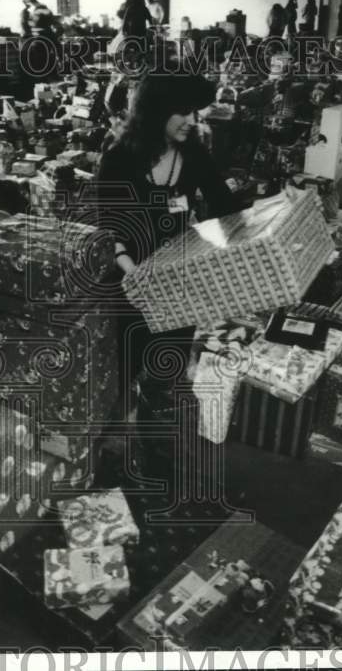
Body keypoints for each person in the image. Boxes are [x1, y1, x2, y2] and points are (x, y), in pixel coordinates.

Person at [95, 70, 243, 475]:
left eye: (194, 113)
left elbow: (223, 204)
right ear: (157, 111)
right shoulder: (120, 158)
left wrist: (274, 211)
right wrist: (135, 274)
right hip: (130, 284)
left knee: (166, 369)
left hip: (177, 285)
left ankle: (155, 448)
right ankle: (107, 444)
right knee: (123, 367)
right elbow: (108, 226)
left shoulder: (192, 153)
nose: (192, 122)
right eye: (183, 113)